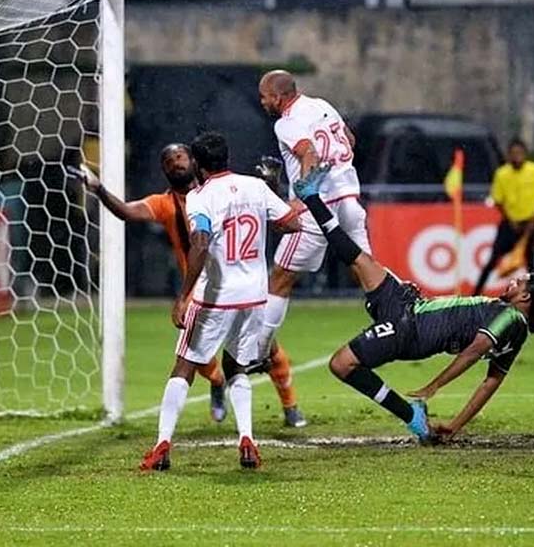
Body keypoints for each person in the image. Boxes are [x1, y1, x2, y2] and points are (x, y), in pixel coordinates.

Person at [292, 163, 534, 443]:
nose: (512, 281)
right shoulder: (513, 330)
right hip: (409, 305)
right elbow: (491, 383)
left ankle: (410, 415)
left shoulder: (511, 318)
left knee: (341, 364)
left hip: (409, 328)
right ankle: (311, 197)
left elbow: (473, 353)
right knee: (356, 258)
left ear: (526, 297)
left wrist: (434, 386)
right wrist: (454, 426)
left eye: (520, 282)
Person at [69, 144, 308, 426]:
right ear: (164, 170)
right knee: (197, 358)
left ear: (194, 162)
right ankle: (218, 383)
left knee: (263, 347)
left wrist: (271, 186)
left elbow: (262, 211)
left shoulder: (216, 193)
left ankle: (291, 406)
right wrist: (98, 189)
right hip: (200, 290)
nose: (175, 162)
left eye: (180, 156)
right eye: (168, 160)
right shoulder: (164, 204)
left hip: (233, 285)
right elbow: (126, 212)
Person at [140, 132, 300, 471]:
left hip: (216, 297)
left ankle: (162, 445)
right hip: (254, 295)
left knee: (184, 366)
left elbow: (199, 244)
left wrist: (183, 296)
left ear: (197, 164)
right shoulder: (256, 187)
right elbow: (292, 224)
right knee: (236, 367)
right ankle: (247, 440)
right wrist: (271, 191)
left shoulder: (200, 197)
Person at [256, 70, 370, 428]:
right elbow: (349, 139)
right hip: (350, 199)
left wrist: (305, 190)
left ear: (277, 97)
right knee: (369, 274)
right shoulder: (322, 105)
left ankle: (258, 350)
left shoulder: (286, 124)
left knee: (280, 279)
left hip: (318, 209)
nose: (262, 103)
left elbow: (309, 153)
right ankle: (407, 322)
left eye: (264, 97)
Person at [473, 138, 534, 296]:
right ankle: (475, 294)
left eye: (519, 153)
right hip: (509, 224)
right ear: (509, 155)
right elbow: (498, 200)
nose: (517, 157)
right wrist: (510, 220)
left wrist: (533, 222)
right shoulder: (502, 174)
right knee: (493, 260)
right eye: (514, 154)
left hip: (529, 223)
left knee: (531, 263)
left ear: (525, 154)